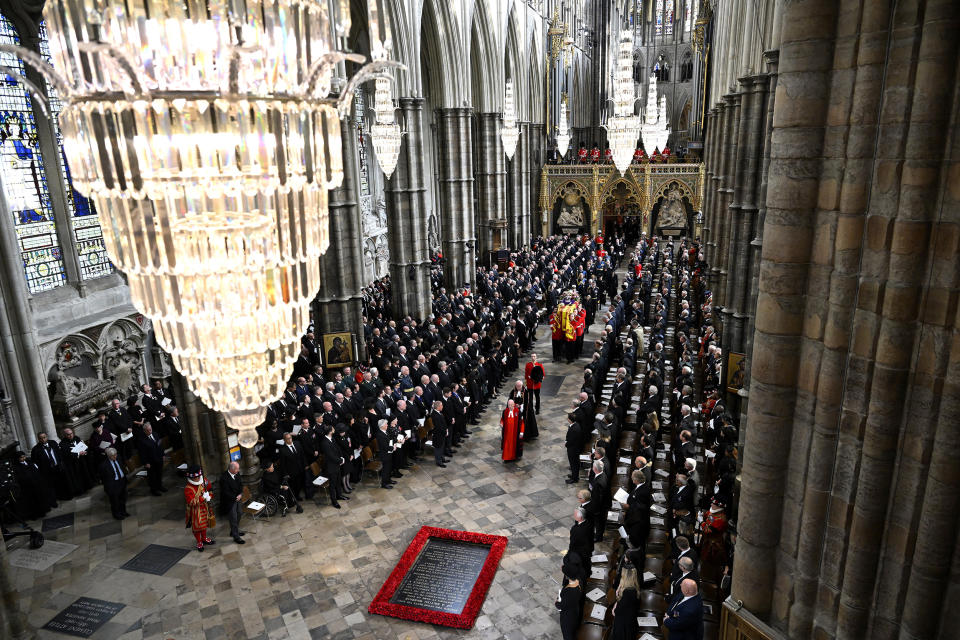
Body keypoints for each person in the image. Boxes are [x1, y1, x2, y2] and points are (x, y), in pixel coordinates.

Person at [184, 465, 215, 551]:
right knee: (197, 527)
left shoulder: (204, 481)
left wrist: (210, 496)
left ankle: (204, 538)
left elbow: (210, 489)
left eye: (198, 477)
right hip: (195, 511)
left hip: (205, 507)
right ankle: (199, 542)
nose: (197, 479)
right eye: (196, 477)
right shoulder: (188, 488)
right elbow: (191, 502)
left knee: (205, 525)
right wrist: (202, 498)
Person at [31, 432, 68, 503]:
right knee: (52, 486)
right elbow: (35, 462)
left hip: (57, 467)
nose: (43, 439)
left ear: (47, 437)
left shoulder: (53, 443)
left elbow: (59, 453)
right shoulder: (35, 449)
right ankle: (55, 499)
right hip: (47, 471)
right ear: (38, 439)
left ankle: (64, 496)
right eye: (41, 438)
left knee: (61, 483)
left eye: (44, 437)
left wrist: (61, 463)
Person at [218, 461, 245, 544]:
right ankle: (236, 536)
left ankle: (234, 531)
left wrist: (240, 494)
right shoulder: (224, 478)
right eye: (237, 469)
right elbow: (225, 492)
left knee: (239, 513)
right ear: (232, 469)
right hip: (229, 501)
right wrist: (235, 498)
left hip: (238, 498)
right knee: (233, 517)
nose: (238, 470)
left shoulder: (237, 474)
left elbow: (240, 484)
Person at [318, 424, 345, 508]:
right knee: (332, 485)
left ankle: (339, 495)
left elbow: (337, 448)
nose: (334, 429)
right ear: (330, 431)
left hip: (337, 464)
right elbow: (330, 455)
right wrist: (340, 460)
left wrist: (341, 457)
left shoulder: (332, 438)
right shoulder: (325, 443)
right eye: (333, 429)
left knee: (338, 481)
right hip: (331, 467)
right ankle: (334, 501)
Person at [99, 448, 129, 520]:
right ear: (109, 456)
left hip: (121, 481)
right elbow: (103, 478)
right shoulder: (104, 465)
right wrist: (108, 488)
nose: (115, 456)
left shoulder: (118, 458)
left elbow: (122, 466)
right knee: (115, 501)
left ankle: (123, 511)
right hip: (113, 484)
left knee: (123, 499)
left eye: (115, 454)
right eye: (113, 456)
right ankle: (116, 514)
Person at [136, 423, 166, 496]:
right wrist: (146, 462)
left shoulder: (155, 434)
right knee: (152, 476)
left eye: (150, 429)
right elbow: (142, 453)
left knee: (159, 473)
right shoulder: (141, 440)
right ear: (144, 431)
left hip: (159, 458)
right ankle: (154, 490)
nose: (150, 431)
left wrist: (163, 454)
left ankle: (160, 486)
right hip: (150, 461)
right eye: (148, 430)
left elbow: (160, 445)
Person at [610, 567, 639, 640]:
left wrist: (617, 596)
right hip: (630, 623)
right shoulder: (634, 588)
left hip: (623, 629)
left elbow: (615, 612)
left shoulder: (627, 593)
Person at [556, 563, 583, 640]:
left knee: (568, 635)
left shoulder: (570, 592)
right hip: (575, 610)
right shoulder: (579, 581)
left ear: (567, 576)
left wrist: (557, 602)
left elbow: (561, 605)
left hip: (568, 618)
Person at [277, 432, 307, 501]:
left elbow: (302, 455)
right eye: (287, 439)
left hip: (300, 468)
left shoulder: (297, 443)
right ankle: (294, 498)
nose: (290, 440)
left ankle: (297, 495)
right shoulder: (282, 450)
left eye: (290, 438)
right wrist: (285, 474)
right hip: (291, 472)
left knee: (300, 484)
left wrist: (305, 464)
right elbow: (283, 464)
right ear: (284, 440)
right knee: (294, 485)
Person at [373, 419, 396, 489]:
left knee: (389, 468)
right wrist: (393, 448)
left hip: (388, 453)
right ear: (382, 426)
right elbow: (385, 447)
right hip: (384, 455)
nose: (387, 425)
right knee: (385, 469)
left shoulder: (385, 432)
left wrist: (396, 442)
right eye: (386, 424)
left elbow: (389, 440)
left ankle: (388, 480)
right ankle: (384, 483)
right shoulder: (380, 435)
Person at [564, 412, 583, 484]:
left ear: (570, 420)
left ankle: (574, 479)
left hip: (573, 449)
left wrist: (566, 444)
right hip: (574, 448)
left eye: (568, 418)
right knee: (573, 463)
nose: (567, 419)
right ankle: (574, 475)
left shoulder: (574, 429)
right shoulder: (575, 425)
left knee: (574, 463)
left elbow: (571, 440)